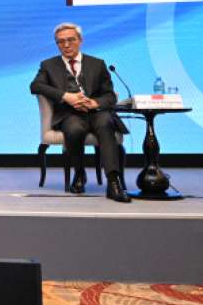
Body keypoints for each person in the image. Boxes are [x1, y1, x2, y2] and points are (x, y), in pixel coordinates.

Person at [29, 23, 130, 203]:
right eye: (61, 42)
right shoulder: (48, 65)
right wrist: (66, 96)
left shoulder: (97, 64)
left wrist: (94, 103)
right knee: (74, 129)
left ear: (80, 40)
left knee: (105, 123)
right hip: (69, 114)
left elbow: (109, 96)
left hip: (97, 112)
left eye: (71, 40)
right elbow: (35, 86)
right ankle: (79, 173)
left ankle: (113, 181)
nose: (66, 45)